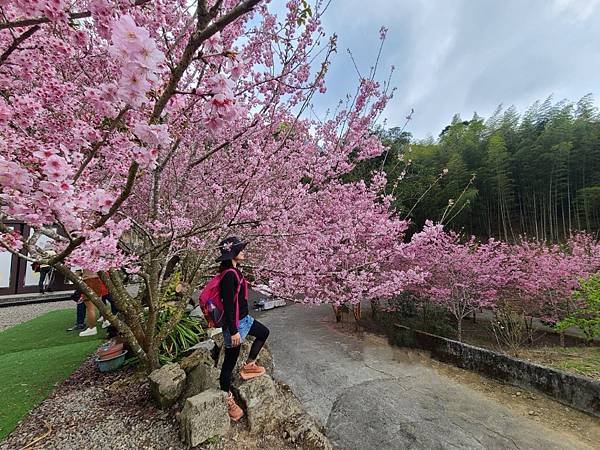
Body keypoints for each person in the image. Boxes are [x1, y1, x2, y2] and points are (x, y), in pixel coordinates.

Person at [217, 236, 270, 421]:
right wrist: (233, 331)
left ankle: (249, 365)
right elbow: (229, 306)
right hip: (236, 324)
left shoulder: (234, 271)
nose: (244, 251)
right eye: (241, 249)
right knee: (228, 365)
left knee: (264, 333)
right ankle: (227, 399)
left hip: (245, 319)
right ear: (233, 253)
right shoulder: (229, 276)